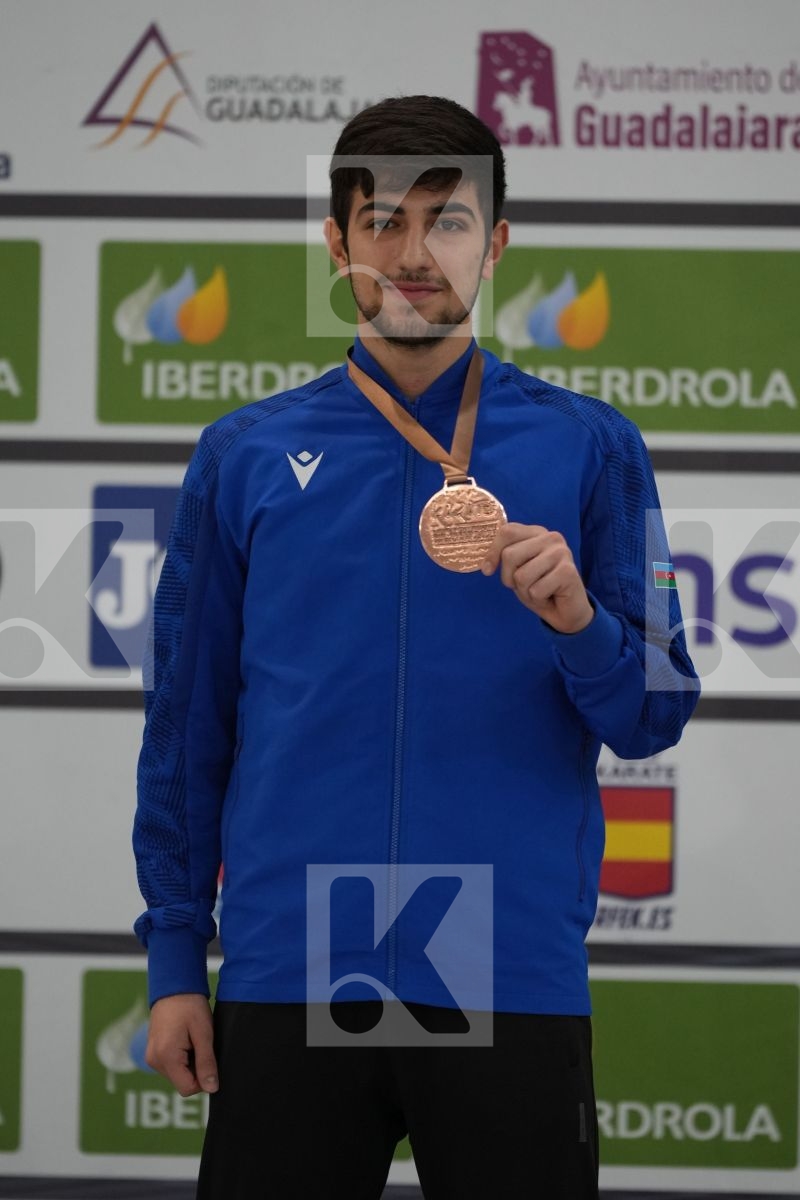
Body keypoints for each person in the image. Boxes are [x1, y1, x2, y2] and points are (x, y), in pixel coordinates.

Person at [133, 95, 699, 1199]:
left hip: (506, 970)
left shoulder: (595, 448)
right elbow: (185, 733)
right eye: (381, 221)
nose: (412, 251)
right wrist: (171, 964)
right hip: (291, 967)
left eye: (446, 222)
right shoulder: (243, 455)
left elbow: (655, 712)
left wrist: (581, 627)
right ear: (337, 244)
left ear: (492, 245)